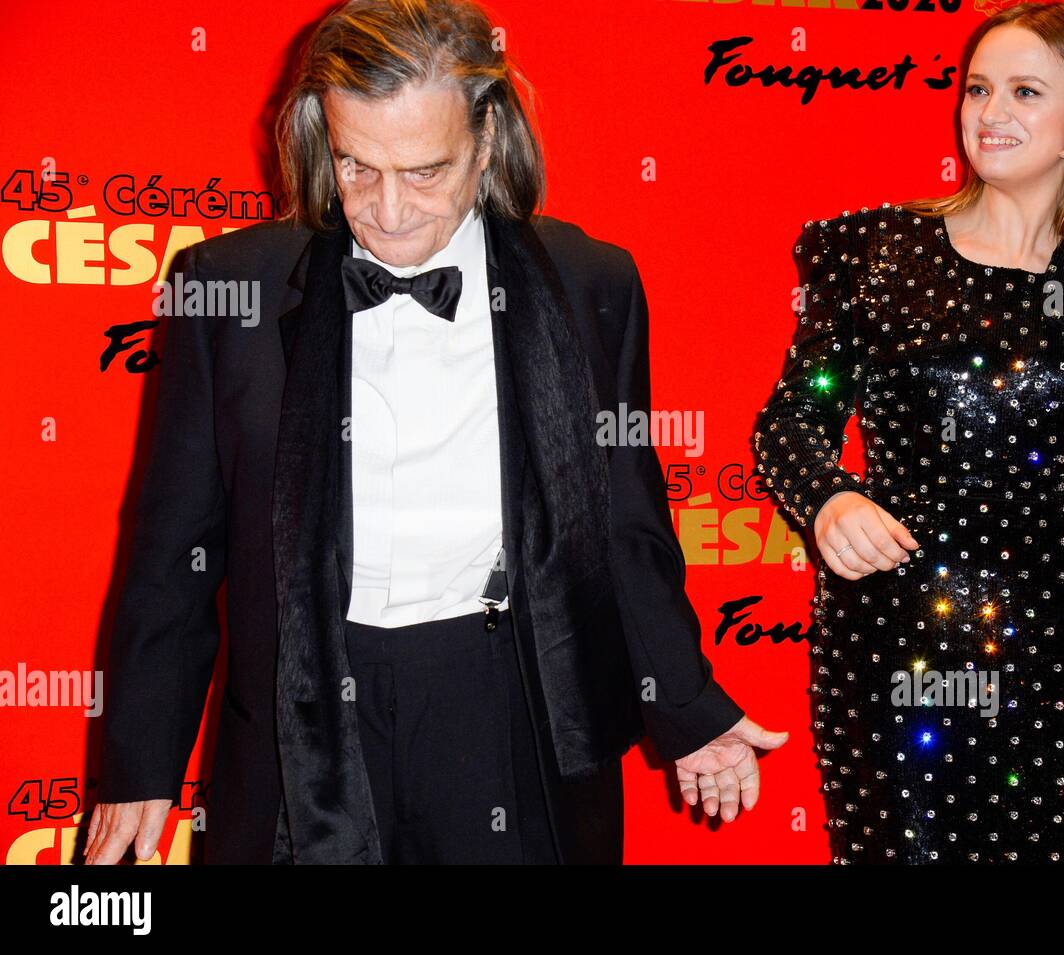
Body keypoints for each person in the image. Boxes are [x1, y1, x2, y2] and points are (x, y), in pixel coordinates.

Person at [87, 0, 786, 865]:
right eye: (356, 165)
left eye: (424, 171)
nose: (386, 209)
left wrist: (688, 708)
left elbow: (624, 525)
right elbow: (170, 554)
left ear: (487, 142)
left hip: (508, 708)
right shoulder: (228, 287)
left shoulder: (589, 282)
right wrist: (140, 763)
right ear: (320, 138)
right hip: (300, 722)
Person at [753, 0, 1064, 864]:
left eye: (1026, 92)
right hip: (893, 632)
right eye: (977, 89)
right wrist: (828, 494)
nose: (990, 115)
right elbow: (792, 419)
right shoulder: (876, 250)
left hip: (1061, 638)